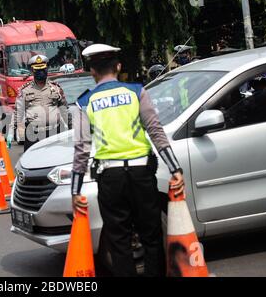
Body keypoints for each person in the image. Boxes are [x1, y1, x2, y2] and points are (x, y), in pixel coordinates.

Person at [71, 44, 185, 277]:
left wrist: (75, 189)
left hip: (110, 178)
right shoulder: (136, 92)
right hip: (141, 174)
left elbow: (82, 148)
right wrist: (175, 169)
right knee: (151, 237)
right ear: (119, 66)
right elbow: (155, 130)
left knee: (119, 241)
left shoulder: (84, 102)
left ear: (92, 71)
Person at [7, 55, 69, 151]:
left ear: (47, 69)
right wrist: (11, 133)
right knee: (33, 163)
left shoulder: (56, 88)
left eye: (43, 69)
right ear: (32, 71)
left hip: (54, 132)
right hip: (33, 135)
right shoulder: (25, 90)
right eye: (38, 70)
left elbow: (65, 111)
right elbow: (17, 113)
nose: (41, 72)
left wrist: (71, 129)